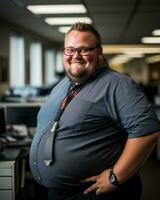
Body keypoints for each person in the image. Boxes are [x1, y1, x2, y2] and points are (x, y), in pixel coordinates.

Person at [29, 22, 160, 200]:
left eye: (84, 50)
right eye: (70, 49)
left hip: (94, 194)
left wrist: (115, 177)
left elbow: (147, 132)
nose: (76, 55)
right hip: (57, 193)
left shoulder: (117, 84)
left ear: (99, 52)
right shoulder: (63, 85)